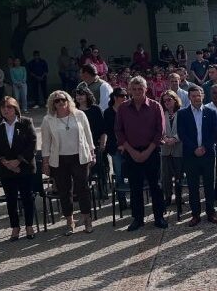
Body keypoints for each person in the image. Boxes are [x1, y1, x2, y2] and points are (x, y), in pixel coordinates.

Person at [115, 76, 167, 231]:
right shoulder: (123, 108)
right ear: (130, 90)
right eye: (134, 89)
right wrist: (132, 152)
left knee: (155, 186)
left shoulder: (155, 106)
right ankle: (138, 219)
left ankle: (159, 217)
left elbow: (160, 131)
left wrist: (147, 151)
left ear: (146, 89)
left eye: (140, 88)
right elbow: (118, 131)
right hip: (131, 152)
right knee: (135, 187)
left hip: (151, 151)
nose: (137, 91)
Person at [41, 89, 96, 235]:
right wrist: (45, 163)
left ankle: (86, 219)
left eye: (62, 100)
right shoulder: (48, 119)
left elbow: (88, 135)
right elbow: (46, 143)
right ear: (52, 103)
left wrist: (92, 152)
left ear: (68, 101)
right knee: (65, 191)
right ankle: (69, 221)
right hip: (59, 160)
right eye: (56, 100)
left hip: (79, 157)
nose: (60, 103)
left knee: (83, 189)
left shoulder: (79, 114)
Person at [0, 96, 37, 240]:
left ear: (15, 108)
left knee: (27, 197)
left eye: (9, 107)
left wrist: (18, 161)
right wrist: (4, 161)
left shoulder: (26, 122)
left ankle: (29, 226)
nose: (6, 110)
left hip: (24, 168)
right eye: (3, 108)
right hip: (5, 169)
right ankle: (15, 227)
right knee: (11, 199)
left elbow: (32, 144)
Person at [176, 86, 217, 226]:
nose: (196, 98)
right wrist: (194, 148)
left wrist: (205, 147)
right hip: (191, 155)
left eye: (199, 95)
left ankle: (211, 213)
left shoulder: (211, 112)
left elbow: (216, 132)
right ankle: (195, 215)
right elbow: (182, 134)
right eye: (193, 95)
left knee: (209, 184)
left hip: (208, 154)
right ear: (189, 97)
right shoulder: (182, 114)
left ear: (203, 96)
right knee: (193, 185)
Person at [74, 87, 106, 197]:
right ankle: (82, 194)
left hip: (95, 144)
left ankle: (102, 191)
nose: (79, 97)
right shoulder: (73, 111)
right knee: (81, 173)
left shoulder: (96, 109)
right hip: (78, 146)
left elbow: (103, 129)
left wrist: (102, 144)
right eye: (77, 95)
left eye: (81, 95)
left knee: (100, 170)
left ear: (87, 95)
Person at [158, 91, 184, 213]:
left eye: (169, 99)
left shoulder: (182, 113)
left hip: (178, 149)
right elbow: (158, 130)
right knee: (166, 176)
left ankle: (179, 197)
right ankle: (167, 197)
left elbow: (185, 129)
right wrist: (164, 139)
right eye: (165, 100)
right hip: (165, 149)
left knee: (179, 175)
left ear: (175, 99)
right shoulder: (161, 114)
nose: (167, 102)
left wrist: (175, 138)